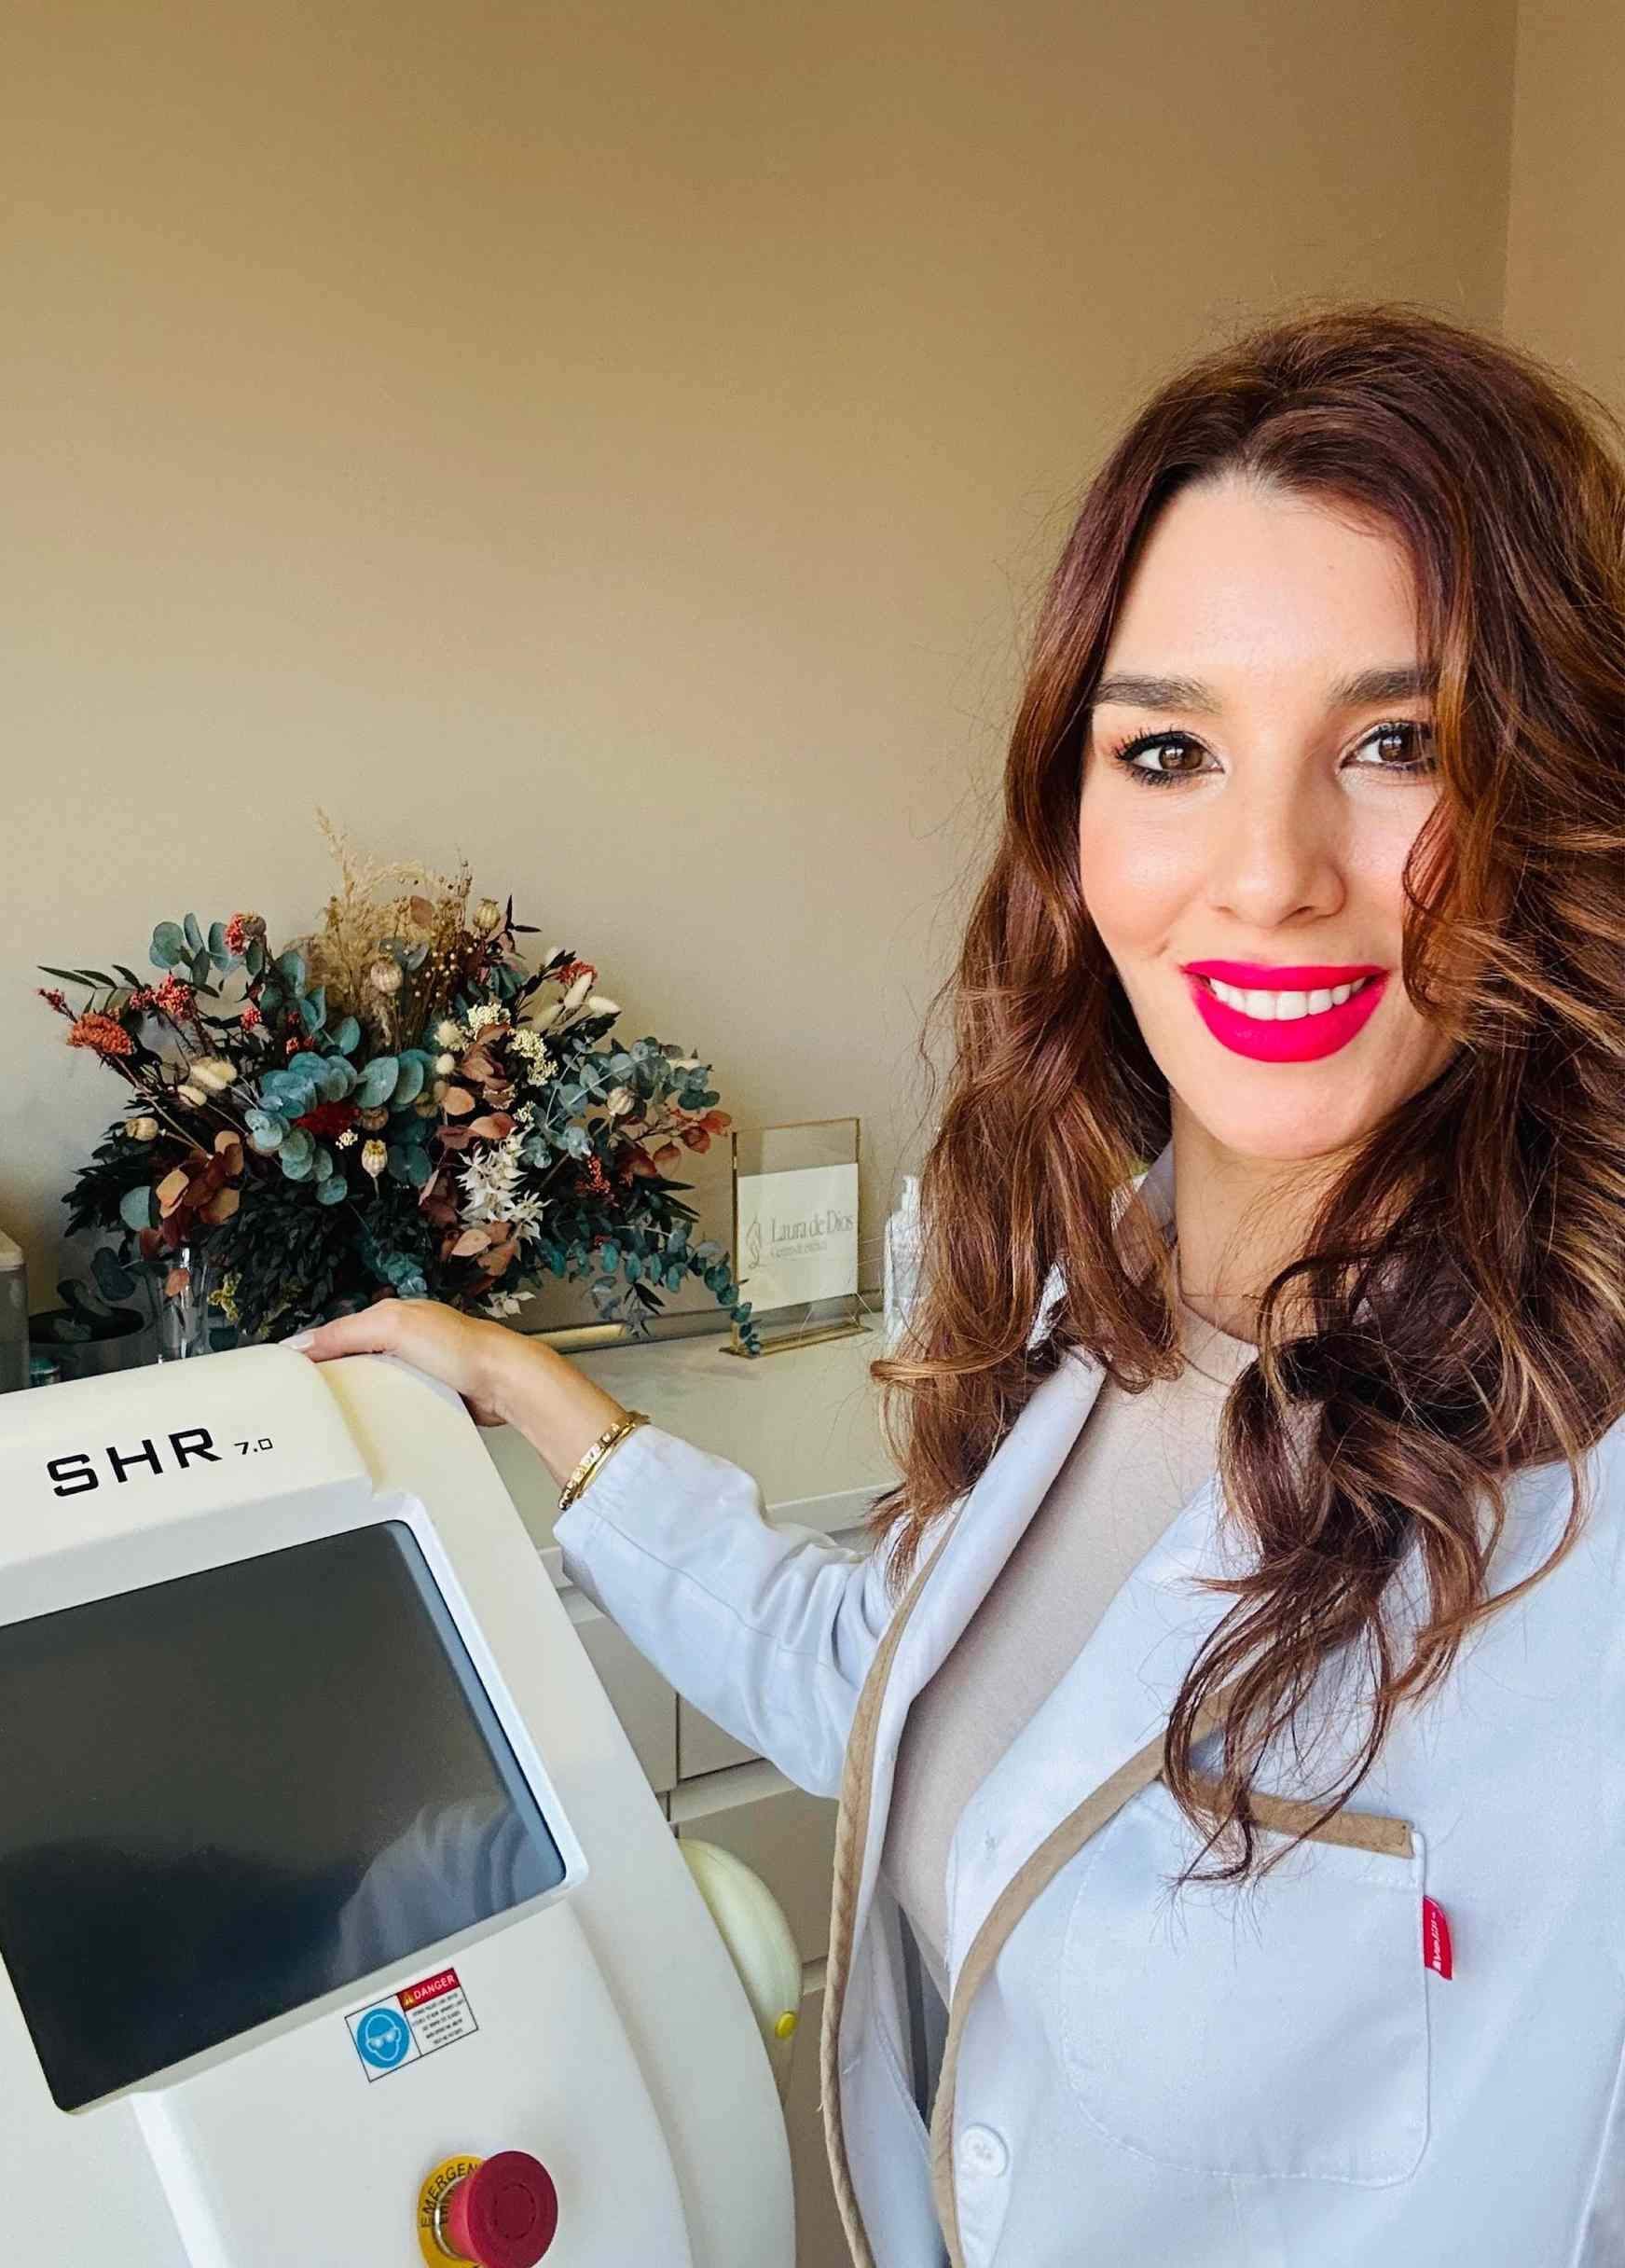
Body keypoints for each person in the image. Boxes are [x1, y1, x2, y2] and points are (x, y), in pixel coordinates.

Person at [291, 303, 1625, 2267]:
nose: (1270, 870)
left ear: (1551, 798)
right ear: (1072, 825)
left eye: (1396, 744)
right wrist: (549, 1406)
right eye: (1169, 750)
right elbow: (926, 1709)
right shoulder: (1099, 1295)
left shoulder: (1584, 1498)